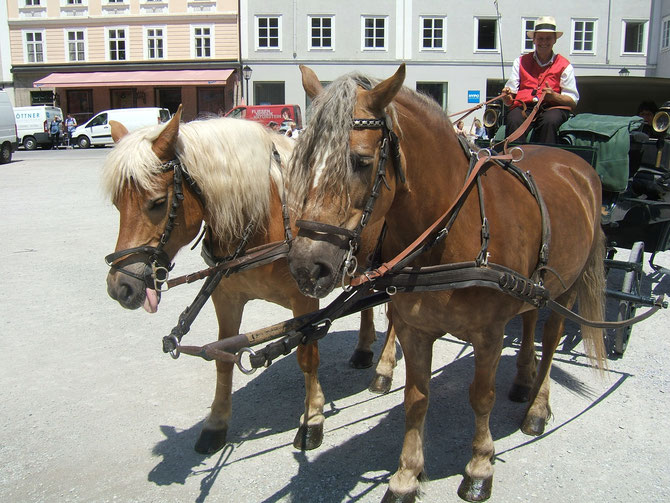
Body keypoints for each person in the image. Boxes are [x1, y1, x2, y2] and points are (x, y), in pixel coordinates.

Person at [502, 16, 579, 144]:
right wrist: (506, 98)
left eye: (548, 38)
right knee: (514, 118)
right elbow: (511, 96)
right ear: (534, 40)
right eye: (540, 38)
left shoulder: (565, 65)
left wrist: (554, 96)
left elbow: (572, 101)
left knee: (550, 121)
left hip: (551, 108)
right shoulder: (520, 62)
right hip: (525, 107)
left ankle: (545, 159)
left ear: (554, 40)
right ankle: (513, 157)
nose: (544, 42)